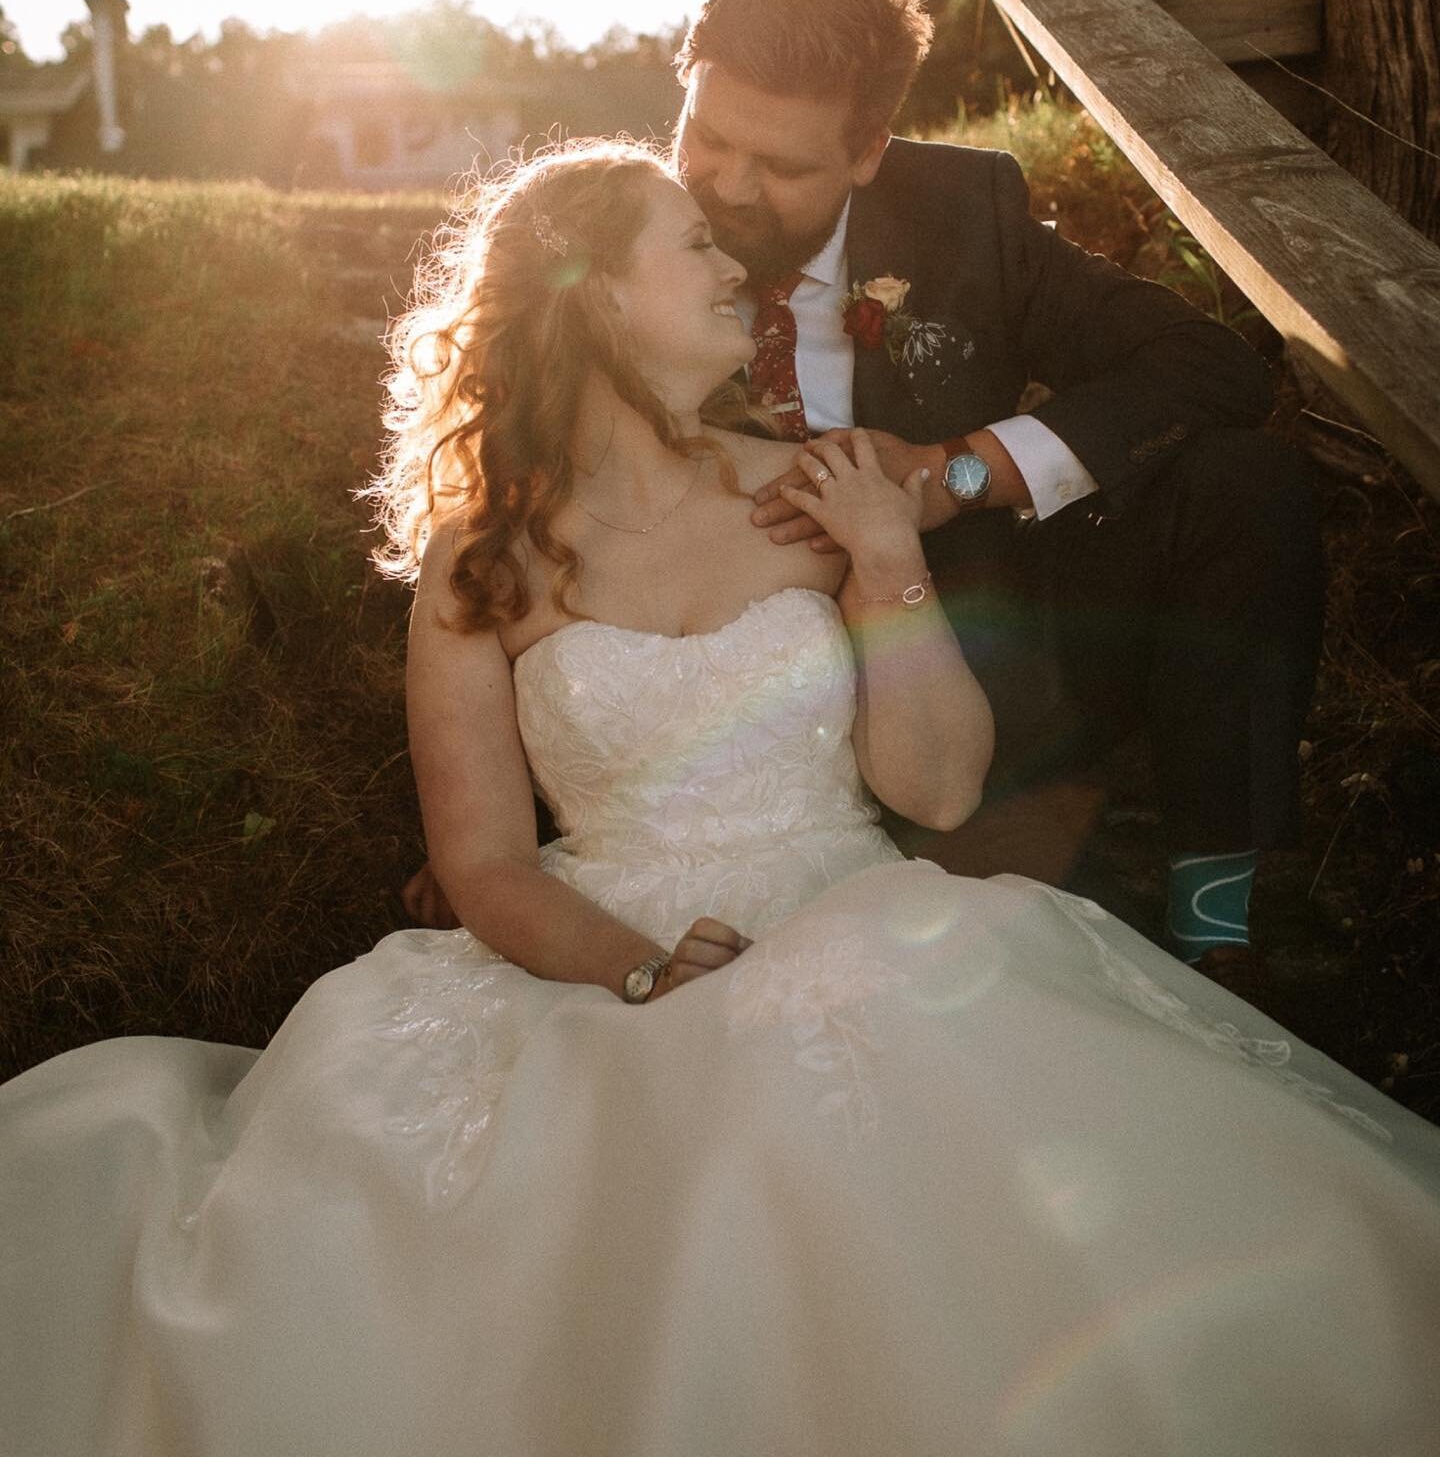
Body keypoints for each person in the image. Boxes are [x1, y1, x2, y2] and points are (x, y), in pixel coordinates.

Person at [2, 138, 1438, 1457]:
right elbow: (489, 863)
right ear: (591, 294)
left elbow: (934, 788)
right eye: (690, 243)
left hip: (853, 909)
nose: (733, 268)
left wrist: (888, 555)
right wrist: (635, 972)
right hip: (594, 950)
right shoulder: (479, 563)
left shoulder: (819, 488)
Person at [406, 0, 1323, 985]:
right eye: (707, 136)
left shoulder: (964, 214)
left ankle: (1217, 913)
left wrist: (951, 473)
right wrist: (485, 858)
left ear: (866, 151)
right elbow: (507, 505)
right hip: (754, 748)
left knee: (1247, 482)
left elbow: (1210, 368)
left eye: (783, 166)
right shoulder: (632, 239)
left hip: (974, 657)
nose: (727, 187)